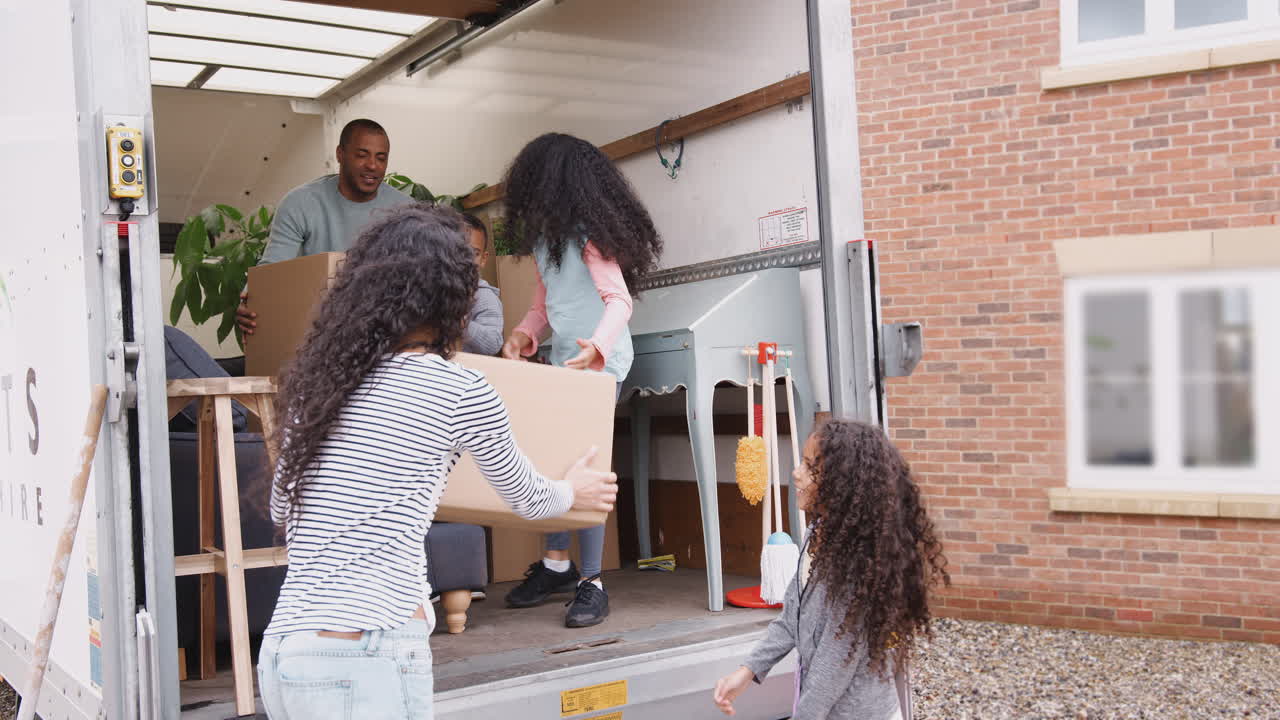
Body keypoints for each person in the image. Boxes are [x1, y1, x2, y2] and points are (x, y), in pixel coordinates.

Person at [255, 204, 618, 719]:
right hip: (366, 651)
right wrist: (573, 490)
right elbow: (526, 497)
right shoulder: (459, 388)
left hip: (284, 652)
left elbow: (280, 512)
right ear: (453, 297)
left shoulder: (321, 385)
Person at [499, 132, 662, 628]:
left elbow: (620, 301)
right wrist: (525, 335)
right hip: (565, 367)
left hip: (598, 368)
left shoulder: (592, 236)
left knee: (585, 470)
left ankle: (591, 583)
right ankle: (556, 567)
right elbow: (542, 307)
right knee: (553, 466)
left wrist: (598, 346)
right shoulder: (547, 244)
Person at [712, 420, 950, 719]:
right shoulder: (818, 533)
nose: (797, 473)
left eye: (811, 467)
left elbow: (833, 666)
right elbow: (791, 619)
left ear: (843, 484)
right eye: (802, 462)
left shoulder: (857, 564)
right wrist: (748, 671)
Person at [237, 118, 414, 337]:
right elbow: (273, 267)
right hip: (313, 326)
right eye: (361, 155)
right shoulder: (301, 203)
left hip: (383, 327)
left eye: (381, 158)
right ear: (340, 154)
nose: (372, 165)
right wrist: (251, 298)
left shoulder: (407, 211)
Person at [460, 213, 503, 356]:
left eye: (473, 253)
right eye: (459, 250)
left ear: (483, 259)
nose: (465, 259)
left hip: (469, 371)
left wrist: (461, 323)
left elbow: (493, 343)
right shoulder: (435, 288)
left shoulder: (484, 296)